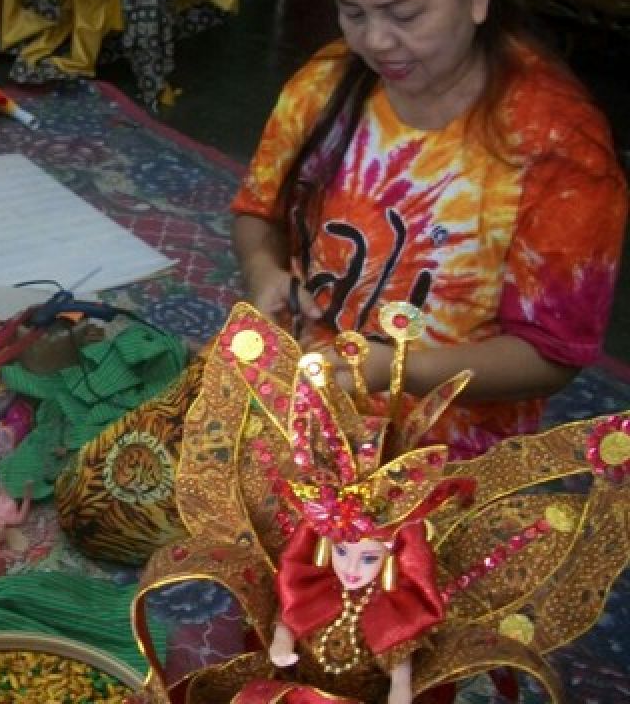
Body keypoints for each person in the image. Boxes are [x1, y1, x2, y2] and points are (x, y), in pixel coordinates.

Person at [231, 0, 627, 459]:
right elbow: (258, 209)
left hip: (444, 450)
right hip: (308, 398)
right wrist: (263, 270)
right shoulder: (325, 84)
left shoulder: (555, 145)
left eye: (405, 14)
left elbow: (551, 355)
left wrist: (398, 370)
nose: (376, 42)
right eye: (353, 13)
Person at [130, 301, 630, 704]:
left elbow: (403, 660)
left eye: (368, 557)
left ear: (396, 560)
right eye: (345, 554)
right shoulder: (307, 586)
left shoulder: (397, 610)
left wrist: (398, 687)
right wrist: (283, 642)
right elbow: (287, 615)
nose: (352, 568)